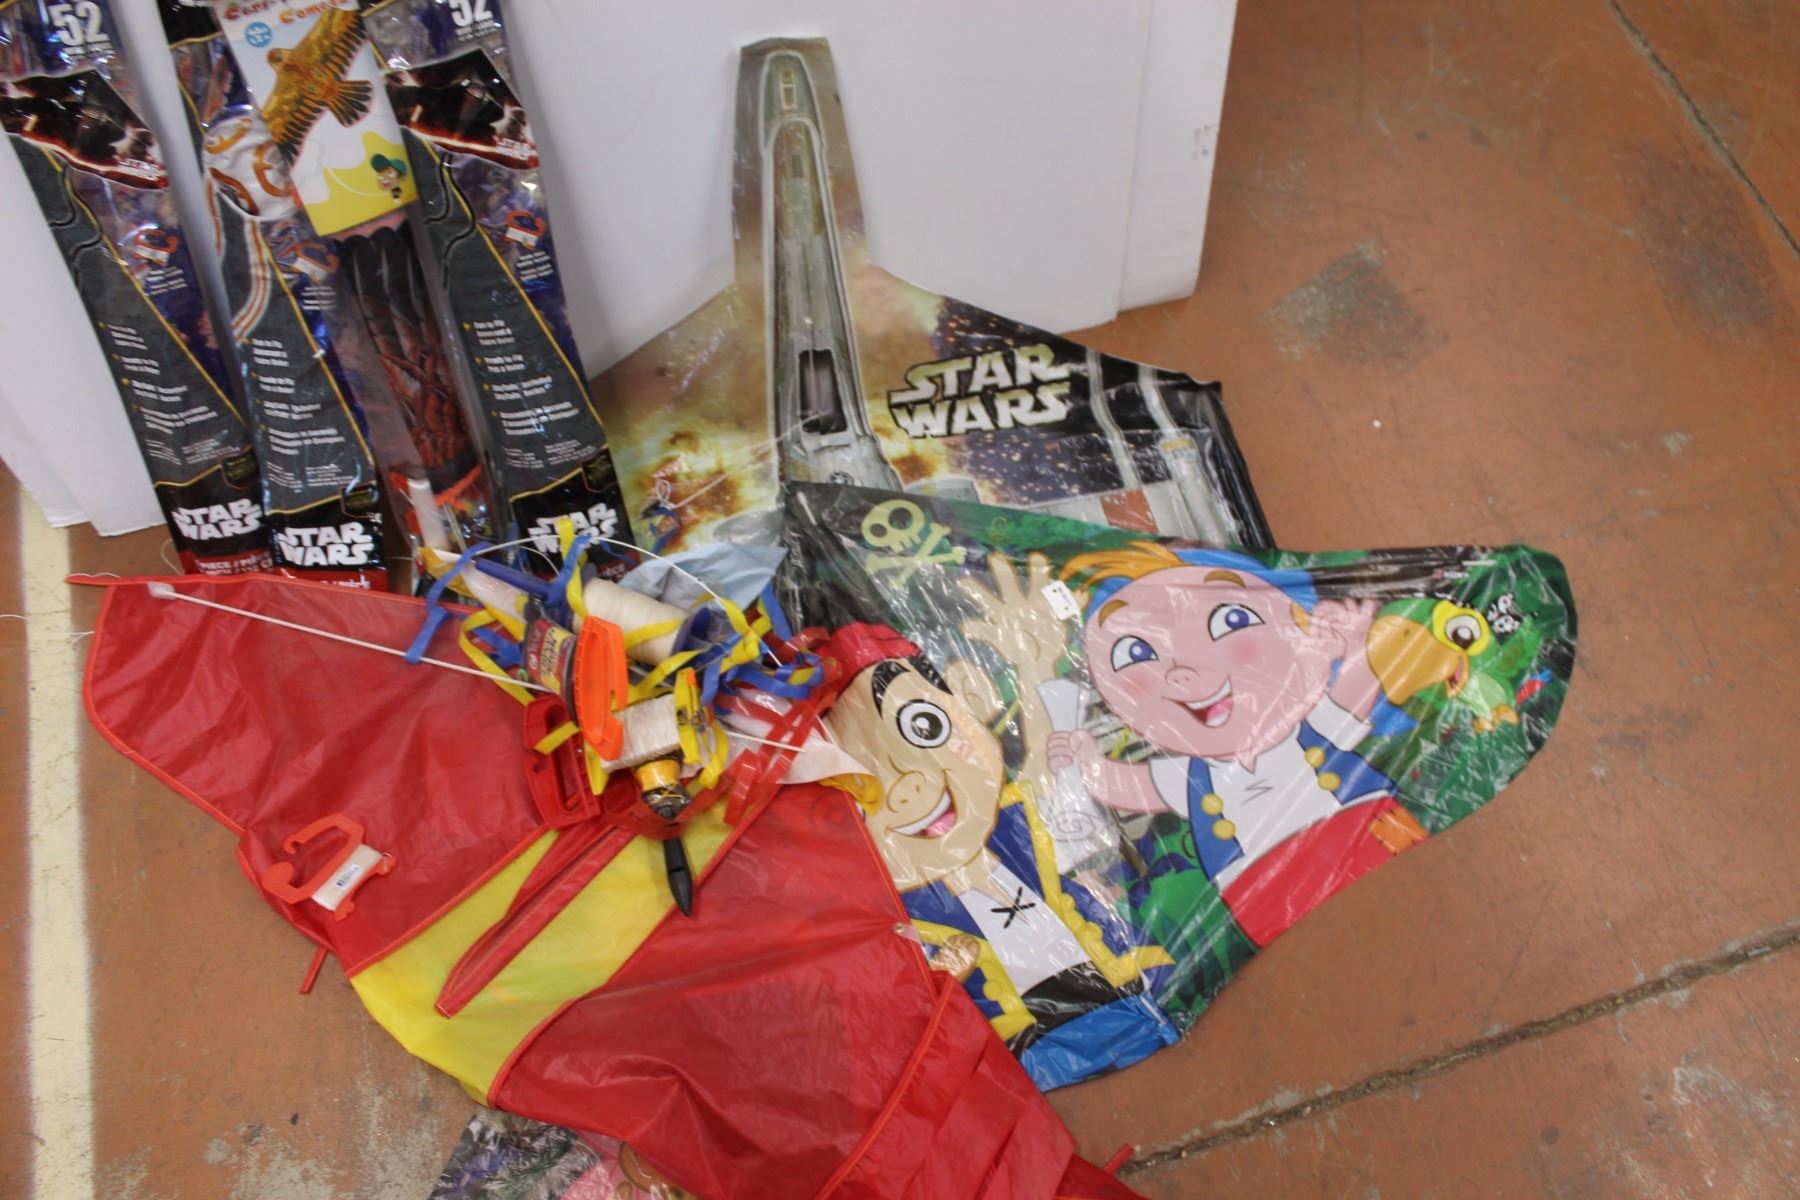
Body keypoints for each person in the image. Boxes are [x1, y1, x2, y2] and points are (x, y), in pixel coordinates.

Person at [822, 554, 1176, 1089]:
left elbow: (1042, 766)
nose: (908, 784)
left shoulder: (1016, 817)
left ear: (972, 696)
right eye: (859, 785)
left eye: (924, 728)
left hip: (1130, 983)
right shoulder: (893, 909)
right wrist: (942, 975)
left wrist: (1033, 667)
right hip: (1024, 1047)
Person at [1051, 543, 1428, 947]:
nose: (1182, 668)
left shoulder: (1306, 729)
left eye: (1231, 619)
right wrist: (1084, 761)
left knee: (1402, 915)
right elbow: (1129, 787)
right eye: (1135, 653)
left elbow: (1353, 696)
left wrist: (1356, 648)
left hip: (1367, 838)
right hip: (1263, 891)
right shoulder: (1191, 775)